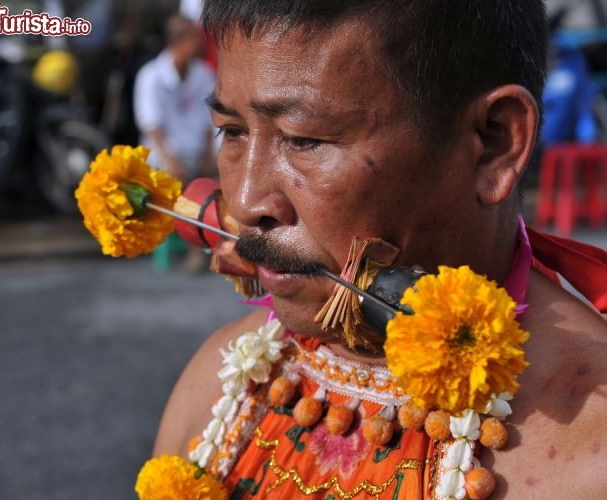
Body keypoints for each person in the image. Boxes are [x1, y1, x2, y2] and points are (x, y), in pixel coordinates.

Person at [152, 1, 607, 498]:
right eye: (232, 131)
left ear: (493, 143)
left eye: (304, 139)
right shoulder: (217, 386)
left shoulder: (588, 454)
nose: (245, 201)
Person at [133, 13, 216, 272]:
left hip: (195, 152)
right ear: (177, 42)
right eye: (193, 38)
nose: (200, 44)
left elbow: (208, 121)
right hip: (163, 154)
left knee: (215, 179)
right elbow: (151, 126)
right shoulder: (151, 76)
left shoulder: (203, 73)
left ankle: (212, 246)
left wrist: (207, 157)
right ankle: (196, 251)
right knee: (186, 186)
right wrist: (172, 161)